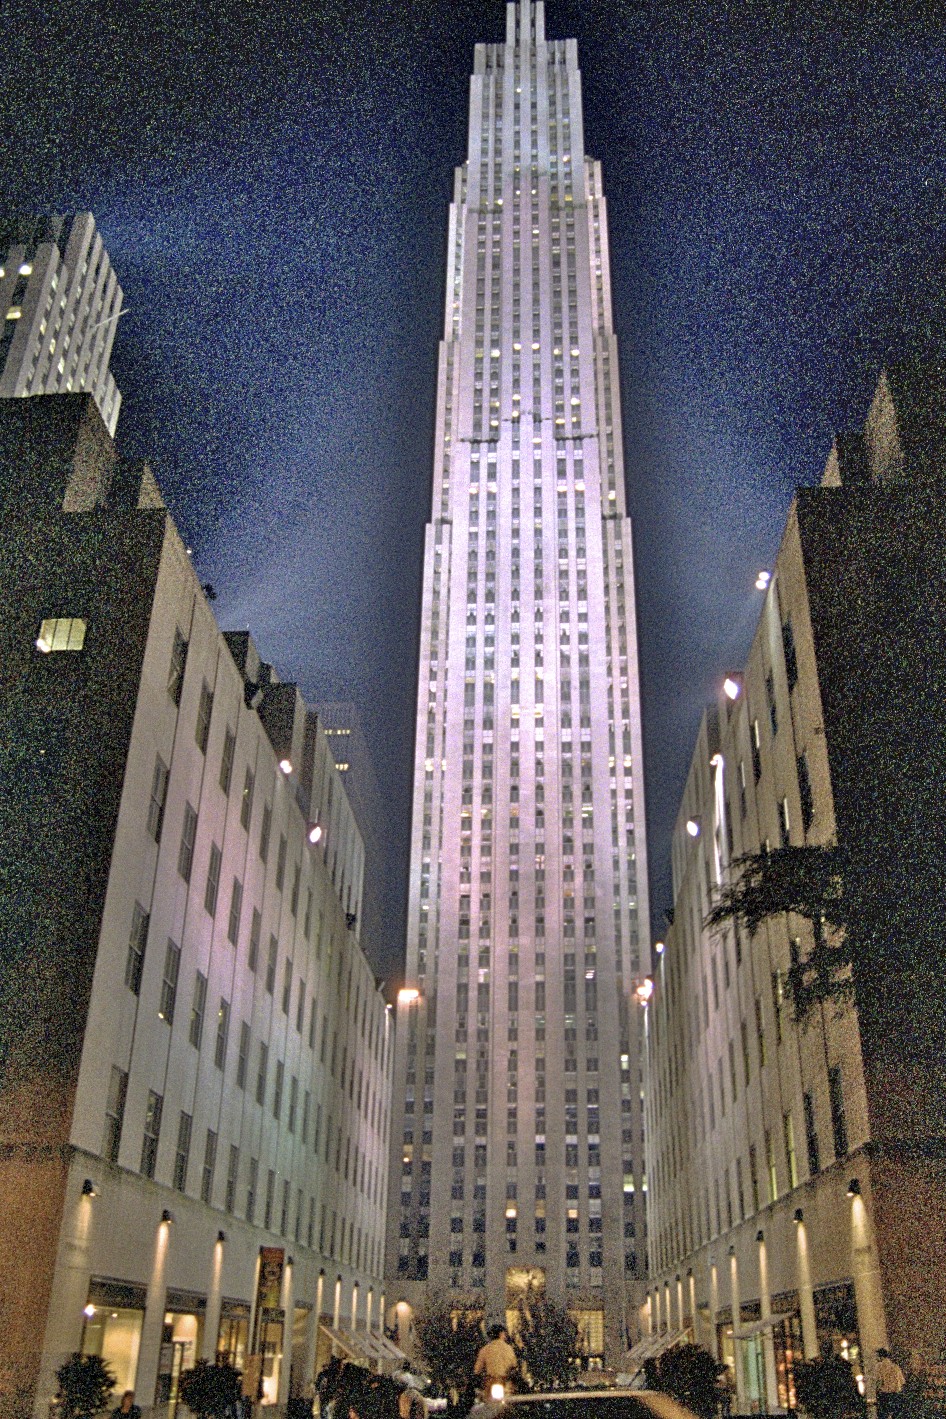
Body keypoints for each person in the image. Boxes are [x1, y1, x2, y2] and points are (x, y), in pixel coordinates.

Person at [473, 1324, 518, 1398]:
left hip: (491, 1382)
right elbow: (514, 1365)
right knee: (511, 1401)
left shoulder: (485, 1349)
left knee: (486, 1402)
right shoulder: (509, 1349)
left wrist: (477, 1377)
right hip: (505, 1382)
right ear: (501, 1334)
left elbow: (477, 1370)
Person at [876, 1348, 906, 1419]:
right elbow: (902, 1382)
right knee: (896, 1416)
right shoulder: (896, 1367)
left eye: (877, 1356)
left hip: (884, 1395)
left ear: (881, 1357)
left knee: (883, 1416)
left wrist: (878, 1391)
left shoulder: (879, 1366)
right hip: (896, 1395)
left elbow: (879, 1381)